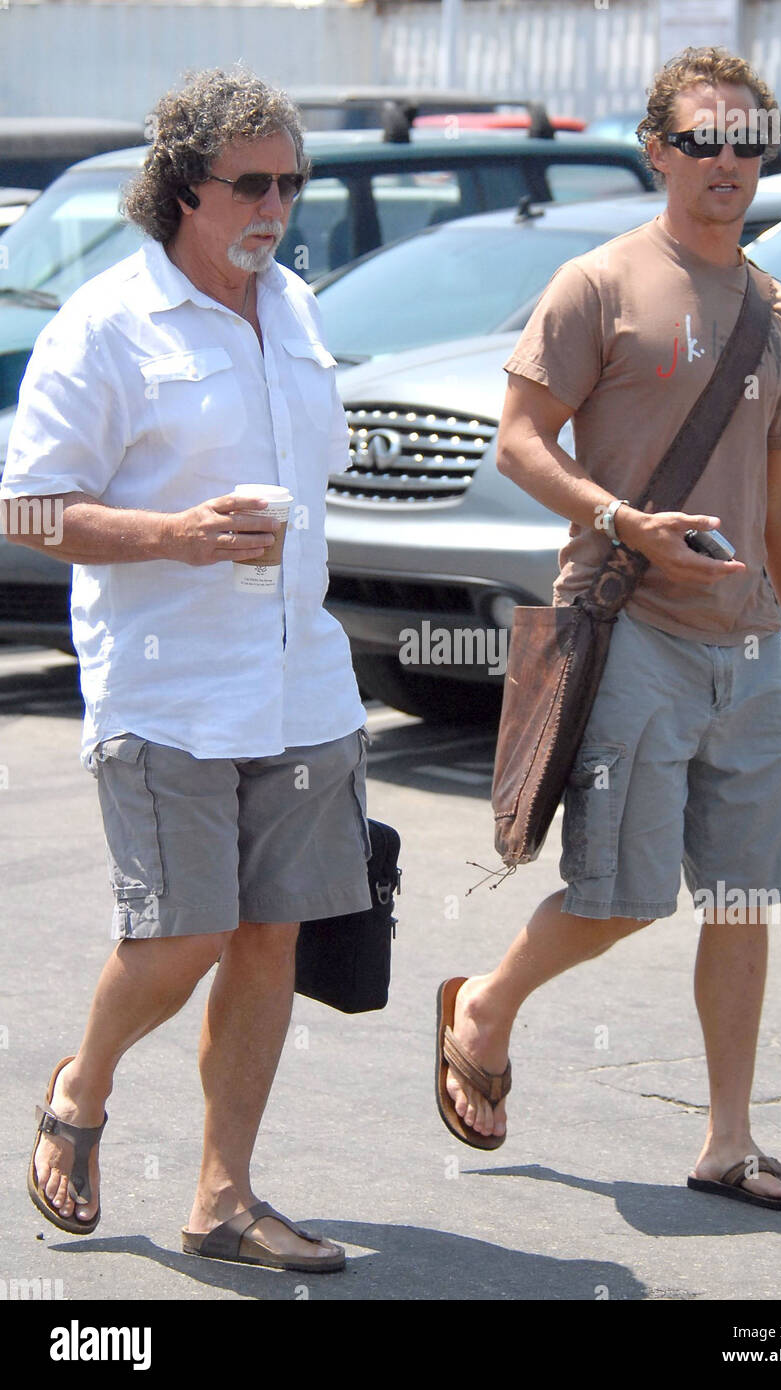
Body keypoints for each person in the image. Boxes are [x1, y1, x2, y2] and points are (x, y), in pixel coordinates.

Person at [436, 47, 781, 1211]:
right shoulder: (597, 284)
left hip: (748, 642)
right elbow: (516, 437)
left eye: (748, 140)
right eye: (704, 139)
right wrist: (618, 519)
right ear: (657, 150)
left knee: (747, 896)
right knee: (618, 895)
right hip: (626, 627)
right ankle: (483, 1007)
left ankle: (728, 1140)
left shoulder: (776, 309)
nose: (729, 161)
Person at [2, 68, 373, 1271]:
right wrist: (174, 535)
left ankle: (223, 1199)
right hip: (166, 685)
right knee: (181, 936)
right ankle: (83, 1083)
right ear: (181, 188)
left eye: (290, 182)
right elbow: (29, 506)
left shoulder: (299, 310)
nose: (275, 205)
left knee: (269, 936)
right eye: (250, 183)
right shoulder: (105, 322)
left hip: (300, 677)